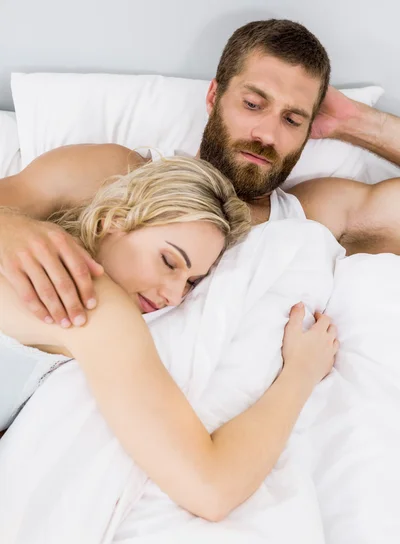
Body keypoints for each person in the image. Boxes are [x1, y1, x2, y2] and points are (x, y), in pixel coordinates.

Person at [0, 154, 338, 521]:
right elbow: (210, 489)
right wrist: (298, 376)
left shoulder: (43, 248)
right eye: (169, 261)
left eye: (192, 282)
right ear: (114, 220)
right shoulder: (93, 305)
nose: (175, 297)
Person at [1, 20, 398, 331]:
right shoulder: (116, 175)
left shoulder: (314, 216)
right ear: (213, 97)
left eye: (293, 119)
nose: (268, 134)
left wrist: (359, 123)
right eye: (253, 103)